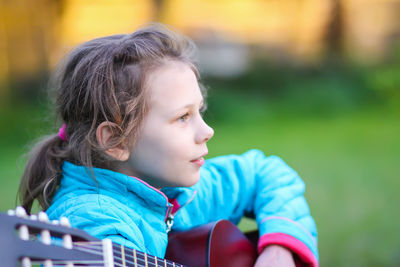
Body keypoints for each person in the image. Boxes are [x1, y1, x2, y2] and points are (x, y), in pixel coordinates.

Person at [18, 24, 319, 267]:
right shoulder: (95, 226)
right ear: (115, 140)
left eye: (198, 111)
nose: (207, 130)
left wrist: (279, 248)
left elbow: (266, 173)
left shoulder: (172, 194)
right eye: (182, 117)